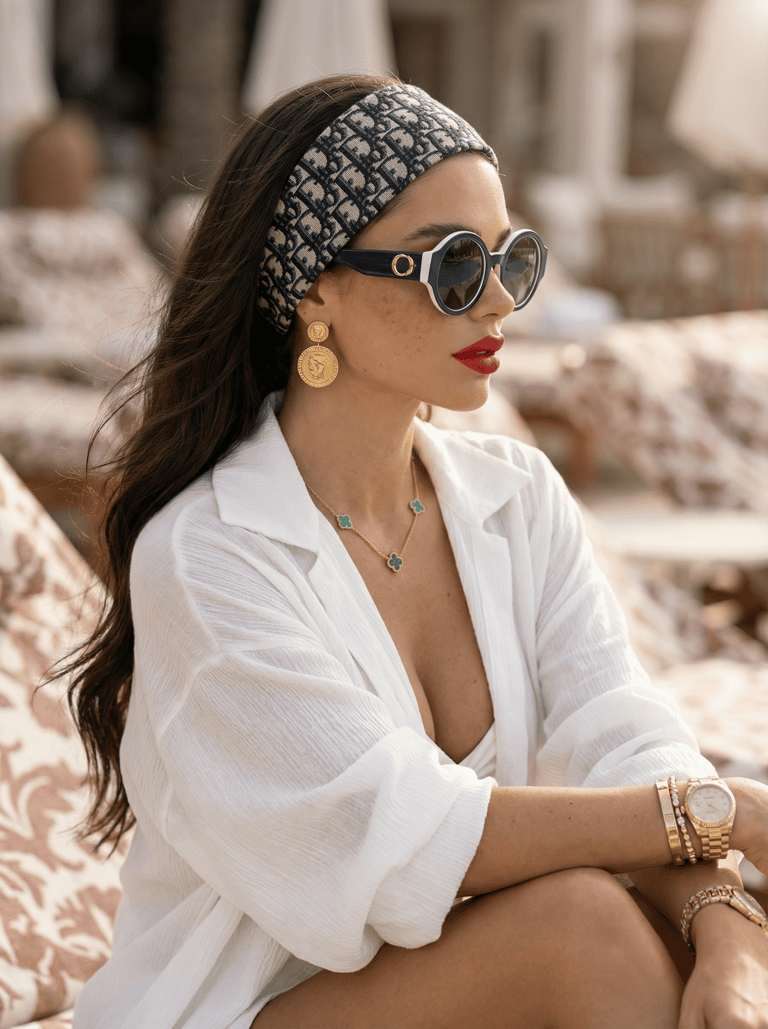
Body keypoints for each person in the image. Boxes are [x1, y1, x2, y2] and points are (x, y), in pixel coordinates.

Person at [65, 74, 768, 1029]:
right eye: (452, 266)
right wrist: (723, 811)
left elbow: (624, 742)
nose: (498, 302)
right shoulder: (208, 553)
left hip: (475, 988)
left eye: (511, 259)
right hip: (245, 1006)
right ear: (315, 286)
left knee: (658, 939)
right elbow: (394, 842)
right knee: (580, 924)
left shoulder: (518, 499)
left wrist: (726, 926)